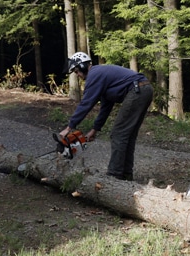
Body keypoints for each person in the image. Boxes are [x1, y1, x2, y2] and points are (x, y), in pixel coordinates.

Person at [59, 52, 153, 181]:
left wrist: (70, 127)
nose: (78, 75)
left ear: (82, 66)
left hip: (137, 90)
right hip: (143, 89)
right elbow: (105, 107)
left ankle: (114, 175)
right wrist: (95, 129)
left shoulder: (94, 75)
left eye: (77, 71)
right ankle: (125, 174)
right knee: (127, 135)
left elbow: (86, 103)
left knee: (118, 134)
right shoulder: (100, 76)